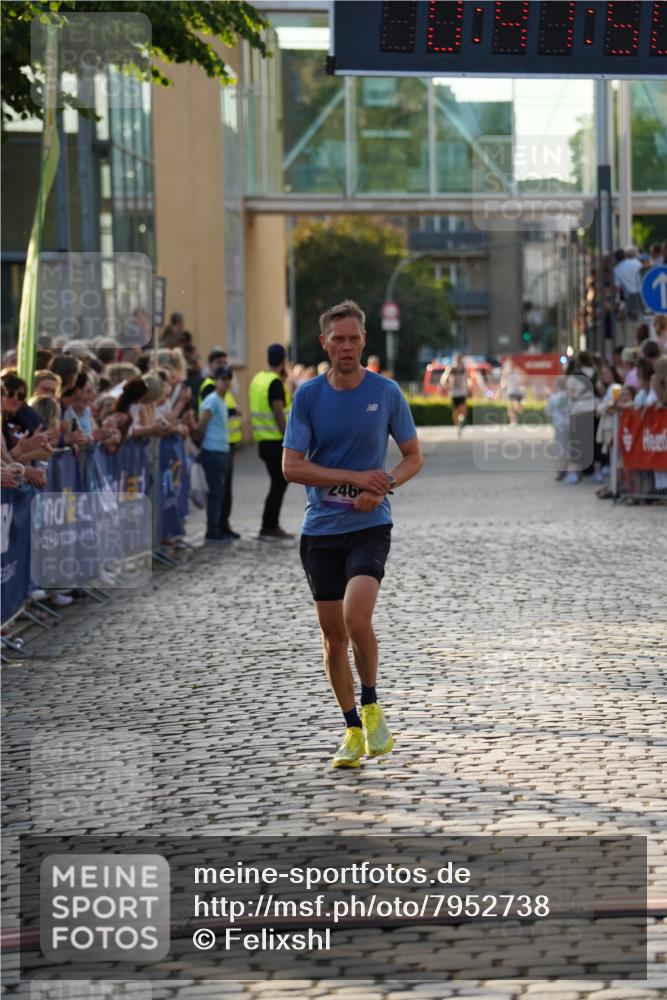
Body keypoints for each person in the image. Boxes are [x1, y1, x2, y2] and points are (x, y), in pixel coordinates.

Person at [282, 299, 423, 769]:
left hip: (370, 524)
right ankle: (351, 729)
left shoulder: (385, 393)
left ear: (364, 341)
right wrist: (354, 477)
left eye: (353, 338)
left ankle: (372, 703)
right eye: (337, 339)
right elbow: (291, 466)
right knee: (332, 637)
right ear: (324, 343)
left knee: (357, 618)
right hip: (320, 529)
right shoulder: (307, 396)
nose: (346, 346)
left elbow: (412, 455)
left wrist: (384, 483)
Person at [249, 343, 294, 541]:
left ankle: (269, 525)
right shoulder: (275, 382)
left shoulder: (258, 379)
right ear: (283, 360)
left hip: (262, 440)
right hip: (275, 441)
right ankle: (269, 526)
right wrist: (289, 438)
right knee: (279, 484)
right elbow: (278, 411)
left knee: (277, 483)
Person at [194, 366, 232, 542]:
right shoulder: (212, 400)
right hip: (212, 449)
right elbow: (201, 426)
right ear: (216, 380)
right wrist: (199, 446)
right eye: (222, 378)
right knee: (216, 492)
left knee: (220, 491)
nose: (226, 382)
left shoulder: (222, 401)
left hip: (221, 450)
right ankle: (212, 530)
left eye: (228, 379)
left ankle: (217, 527)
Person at [442, 354, 470, 436]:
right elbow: (444, 379)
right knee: (456, 411)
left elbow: (467, 379)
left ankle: (461, 422)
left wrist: (468, 389)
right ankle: (458, 426)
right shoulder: (451, 369)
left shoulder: (464, 369)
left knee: (463, 409)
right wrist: (447, 387)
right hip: (454, 393)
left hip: (462, 392)